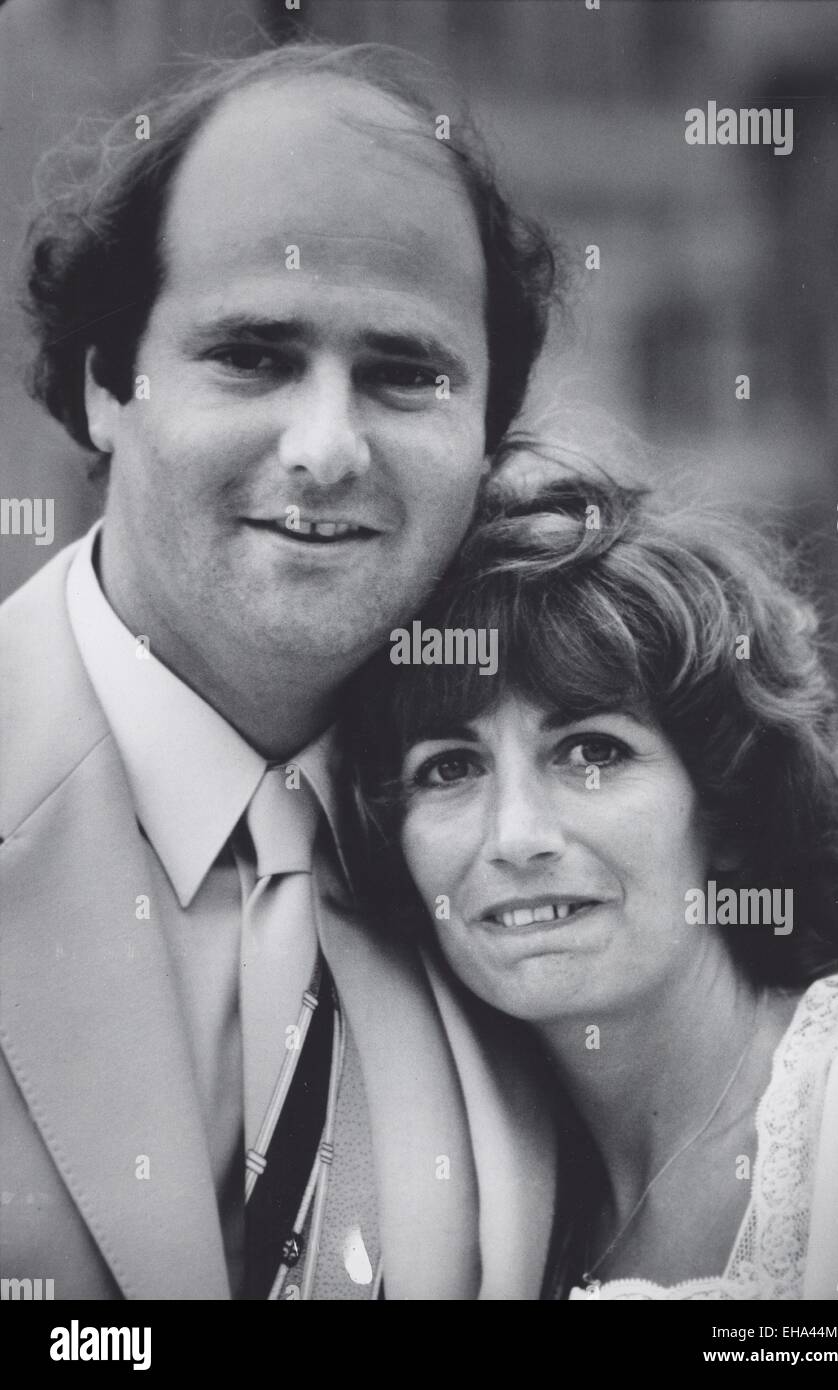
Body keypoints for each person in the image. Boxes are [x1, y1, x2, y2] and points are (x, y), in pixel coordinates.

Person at [0, 42, 560, 1300]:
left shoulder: (569, 837)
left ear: (487, 435)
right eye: (252, 355)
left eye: (404, 373)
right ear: (103, 384)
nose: (326, 448)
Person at [343, 448, 838, 1300]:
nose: (516, 838)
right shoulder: (479, 1216)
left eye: (592, 752)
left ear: (726, 810)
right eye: (450, 768)